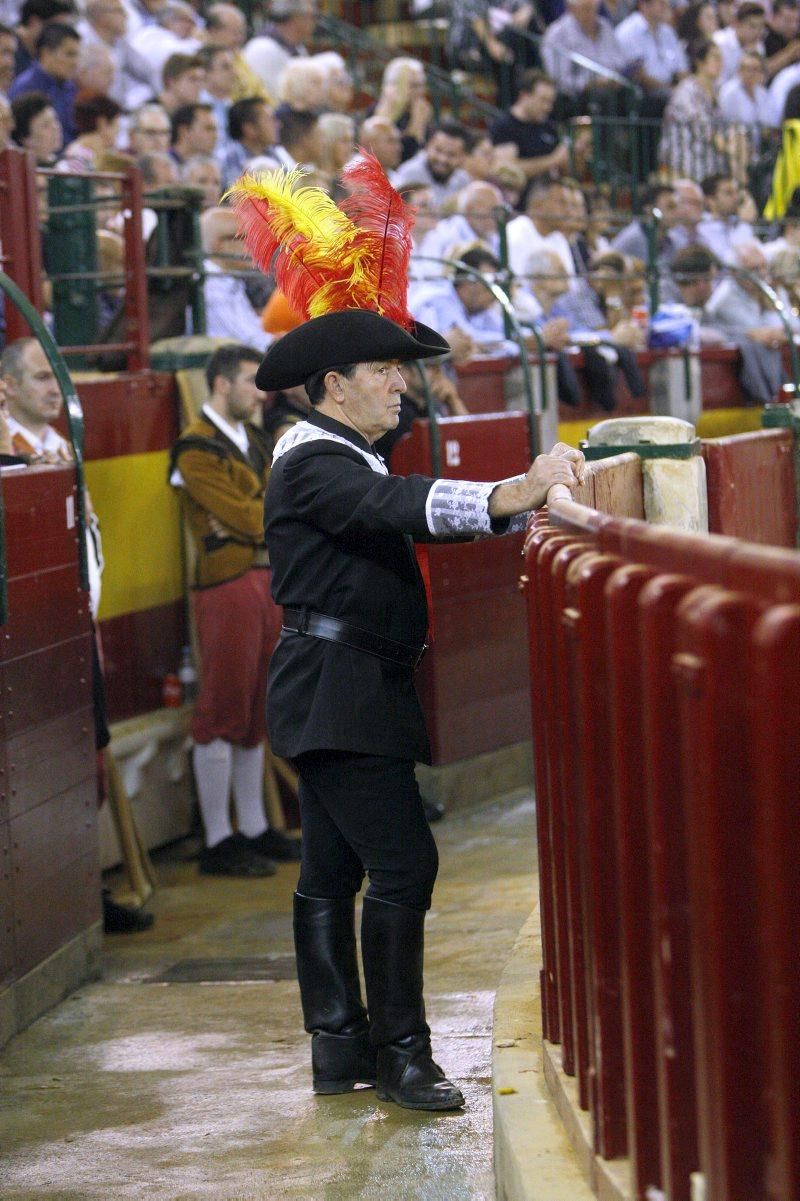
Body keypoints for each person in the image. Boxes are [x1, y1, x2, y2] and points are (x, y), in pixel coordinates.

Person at [225, 155, 584, 1110]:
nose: (402, 385)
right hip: (339, 685)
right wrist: (517, 492)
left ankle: (340, 1049)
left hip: (344, 682)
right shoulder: (313, 460)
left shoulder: (327, 447)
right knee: (403, 862)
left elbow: (394, 496)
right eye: (386, 368)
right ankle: (403, 1055)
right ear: (334, 383)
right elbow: (400, 506)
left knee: (333, 870)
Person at [169, 343, 301, 876]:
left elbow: (267, 511)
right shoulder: (194, 448)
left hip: (262, 578)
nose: (260, 393)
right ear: (221, 385)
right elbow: (256, 518)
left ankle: (251, 826)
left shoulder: (249, 441)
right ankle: (219, 838)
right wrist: (261, 510)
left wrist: (257, 510)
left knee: (254, 711)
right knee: (224, 706)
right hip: (227, 585)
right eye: (250, 381)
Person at [9, 20, 80, 145]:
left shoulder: (70, 87)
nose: (75, 62)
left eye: (77, 55)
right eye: (70, 54)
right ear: (46, 52)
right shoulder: (25, 88)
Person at [392, 120, 473, 208]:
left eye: (451, 154)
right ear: (427, 146)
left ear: (463, 157)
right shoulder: (410, 173)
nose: (442, 159)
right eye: (438, 150)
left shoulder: (463, 180)